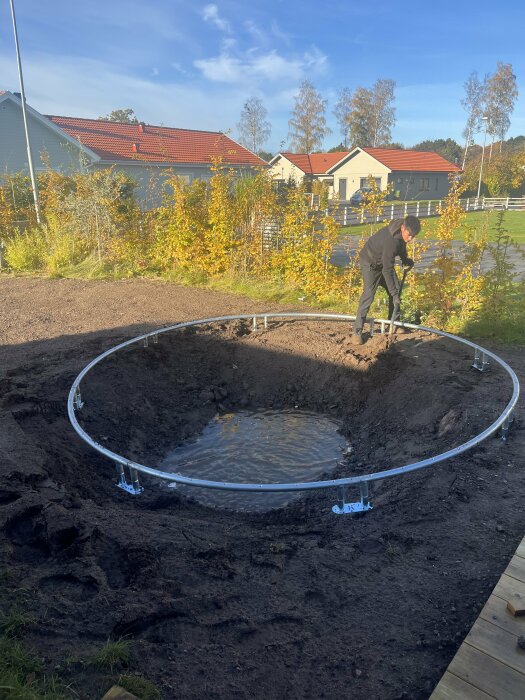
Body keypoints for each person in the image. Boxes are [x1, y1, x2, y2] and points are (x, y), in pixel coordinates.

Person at [353, 215, 421, 344]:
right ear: (402, 228)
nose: (410, 238)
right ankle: (357, 332)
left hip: (382, 263)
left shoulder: (402, 233)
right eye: (409, 235)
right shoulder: (391, 241)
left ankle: (393, 324)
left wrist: (405, 259)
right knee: (369, 295)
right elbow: (387, 269)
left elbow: (402, 246)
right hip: (370, 263)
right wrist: (394, 294)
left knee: (395, 289)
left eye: (413, 236)